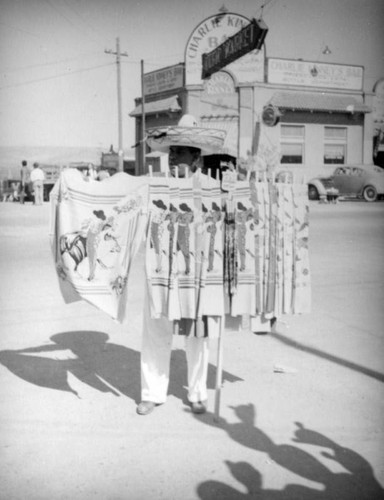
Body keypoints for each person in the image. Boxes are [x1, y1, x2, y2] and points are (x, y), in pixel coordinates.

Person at [136, 115, 226, 416]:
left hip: (194, 271)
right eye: (172, 151)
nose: (174, 157)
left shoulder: (212, 188)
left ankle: (197, 392)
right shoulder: (154, 184)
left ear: (197, 157)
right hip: (160, 269)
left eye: (182, 151)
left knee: (196, 333)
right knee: (156, 329)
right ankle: (152, 392)